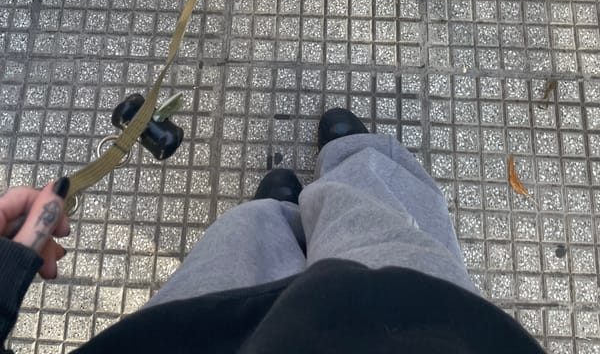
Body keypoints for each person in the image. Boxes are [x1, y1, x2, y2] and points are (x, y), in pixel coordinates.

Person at [1, 108, 544, 353]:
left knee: (236, 257)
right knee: (380, 226)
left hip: (188, 340)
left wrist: (6, 269)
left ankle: (273, 219)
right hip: (413, 331)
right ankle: (353, 163)